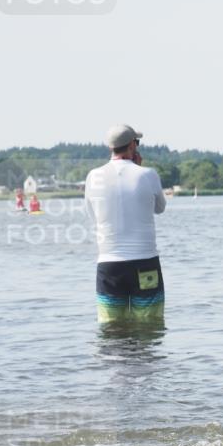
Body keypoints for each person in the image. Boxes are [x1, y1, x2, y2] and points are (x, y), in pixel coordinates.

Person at [84, 125, 167, 324]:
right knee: (149, 327)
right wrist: (139, 169)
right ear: (131, 145)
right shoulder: (148, 174)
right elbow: (160, 208)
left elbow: (92, 216)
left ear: (111, 148)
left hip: (109, 265)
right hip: (145, 262)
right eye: (136, 143)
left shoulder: (93, 177)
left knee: (110, 329)